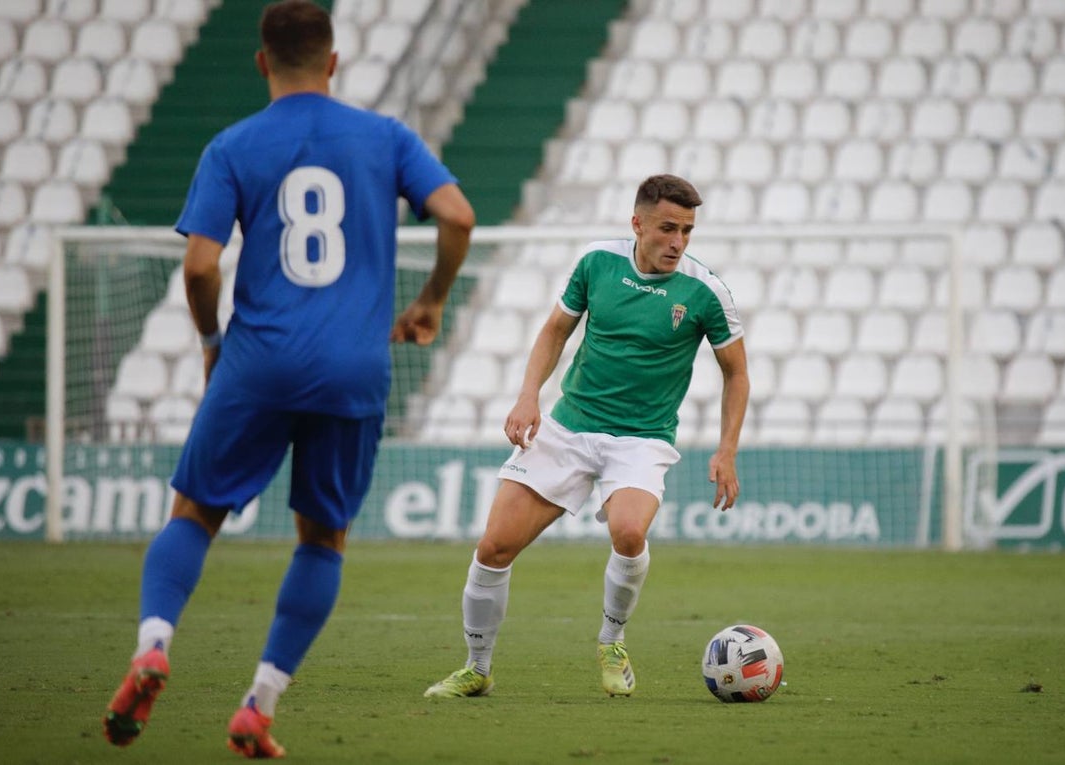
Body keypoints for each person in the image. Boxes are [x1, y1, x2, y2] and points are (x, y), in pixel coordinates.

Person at [102, 1, 474, 758]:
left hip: (259, 360)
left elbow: (202, 264)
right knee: (323, 536)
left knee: (194, 512)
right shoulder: (384, 138)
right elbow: (458, 216)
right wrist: (430, 299)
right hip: (353, 365)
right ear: (333, 62)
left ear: (262, 62)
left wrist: (211, 340)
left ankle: (152, 645)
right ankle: (259, 704)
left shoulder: (234, 145)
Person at [424, 174, 748, 700]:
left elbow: (737, 373)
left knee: (627, 532)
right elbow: (555, 330)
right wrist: (529, 395)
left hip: (641, 439)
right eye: (668, 228)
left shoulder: (705, 290)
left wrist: (726, 449)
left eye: (687, 231)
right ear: (637, 223)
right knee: (493, 546)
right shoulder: (597, 263)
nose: (678, 242)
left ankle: (611, 642)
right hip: (569, 427)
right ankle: (477, 668)